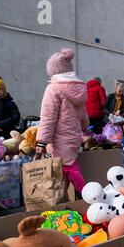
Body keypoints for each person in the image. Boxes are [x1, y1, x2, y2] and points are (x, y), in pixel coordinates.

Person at [35, 48, 89, 195]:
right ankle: (65, 197)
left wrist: (42, 141)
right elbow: (83, 115)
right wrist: (84, 129)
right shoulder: (78, 88)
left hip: (59, 138)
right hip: (73, 135)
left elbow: (48, 117)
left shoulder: (53, 89)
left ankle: (88, 195)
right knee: (65, 167)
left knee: (69, 167)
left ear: (53, 71)